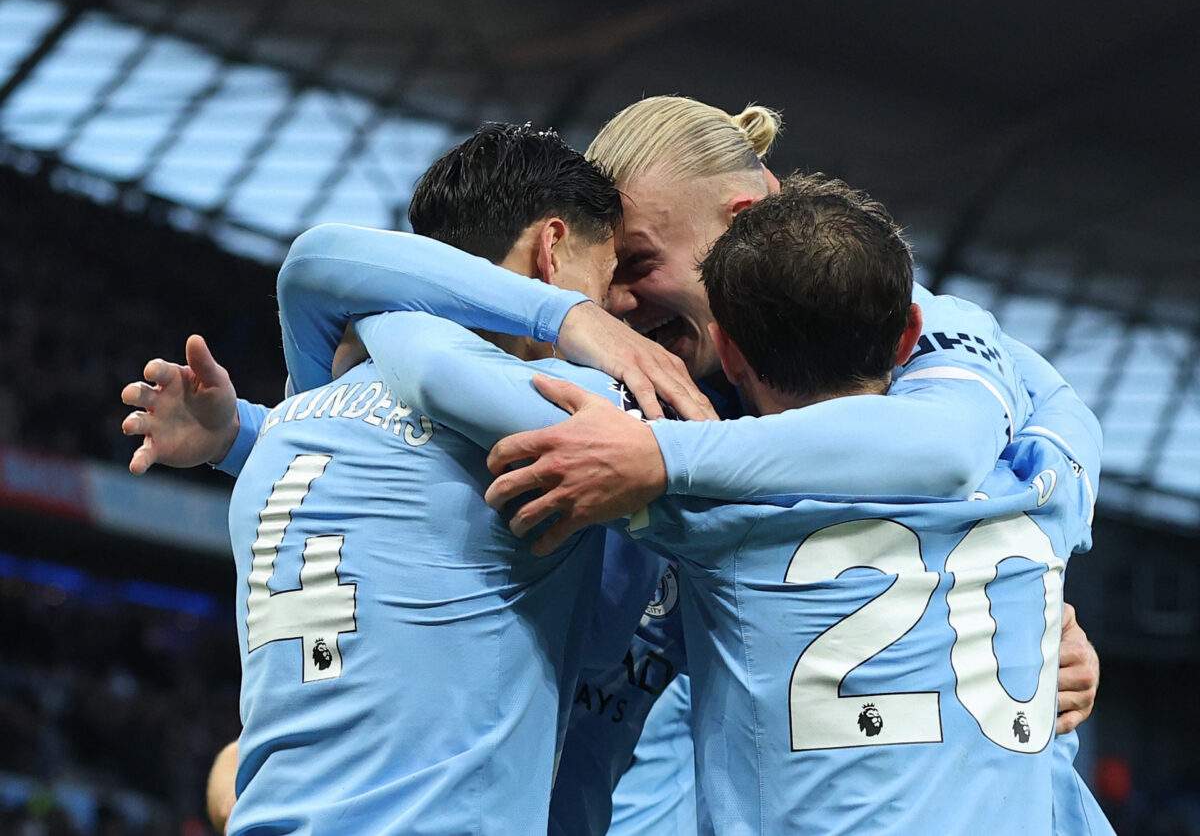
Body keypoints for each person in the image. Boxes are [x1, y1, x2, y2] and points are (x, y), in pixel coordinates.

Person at [122, 109, 1102, 831]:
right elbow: (374, 327)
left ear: (745, 220)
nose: (622, 308)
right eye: (612, 276)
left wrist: (653, 455)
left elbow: (942, 451)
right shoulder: (611, 419)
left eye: (636, 265)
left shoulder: (898, 333)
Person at [424, 174, 1111, 832]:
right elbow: (1049, 393)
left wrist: (568, 324)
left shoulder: (715, 513)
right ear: (909, 333)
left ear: (727, 351)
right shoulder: (1039, 484)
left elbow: (437, 369)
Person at [206, 123, 676, 834]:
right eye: (608, 279)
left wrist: (384, 324)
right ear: (551, 249)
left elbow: (315, 266)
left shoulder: (298, 417)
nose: (616, 312)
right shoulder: (550, 407)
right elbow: (606, 637)